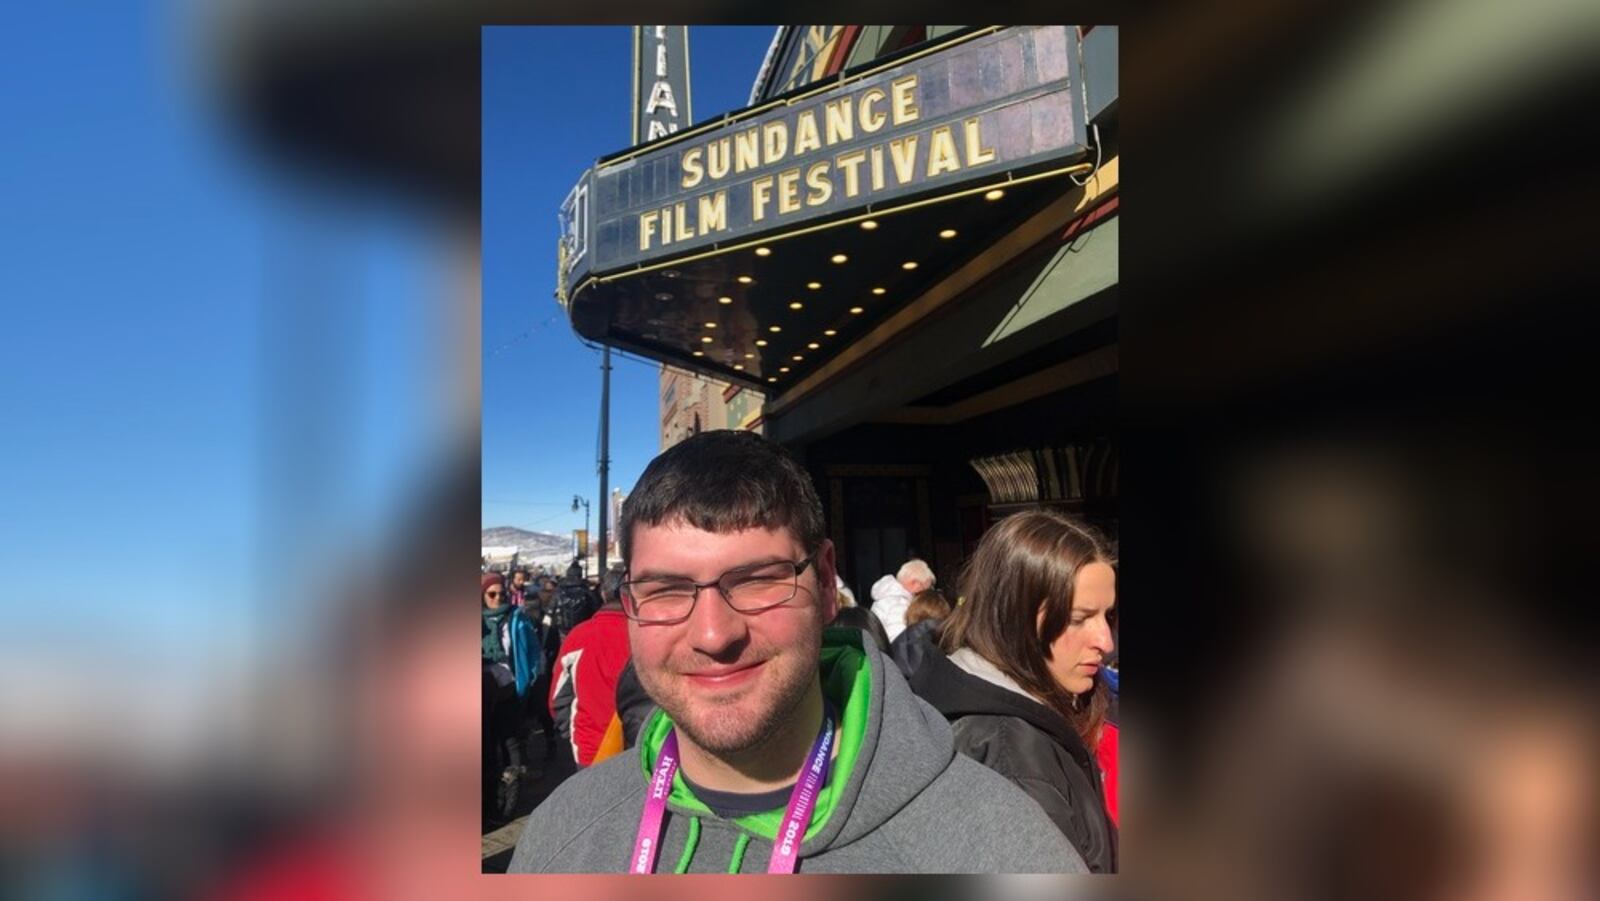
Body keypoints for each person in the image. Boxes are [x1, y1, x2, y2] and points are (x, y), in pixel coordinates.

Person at [509, 430, 1083, 874]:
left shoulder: (999, 848)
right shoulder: (564, 834)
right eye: (666, 590)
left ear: (827, 582)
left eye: (759, 579)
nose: (713, 635)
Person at [893, 509, 1119, 872]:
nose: (1105, 641)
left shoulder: (1025, 721)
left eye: (1108, 616)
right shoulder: (1009, 755)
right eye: (1079, 619)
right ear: (1015, 618)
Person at [549, 565, 633, 767]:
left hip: (589, 749)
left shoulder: (578, 636)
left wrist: (572, 733)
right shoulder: (648, 635)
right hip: (642, 750)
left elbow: (557, 699)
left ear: (603, 594)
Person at [868, 558, 934, 644]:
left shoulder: (887, 597)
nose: (925, 595)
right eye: (925, 588)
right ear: (915, 583)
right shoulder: (899, 605)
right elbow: (899, 643)